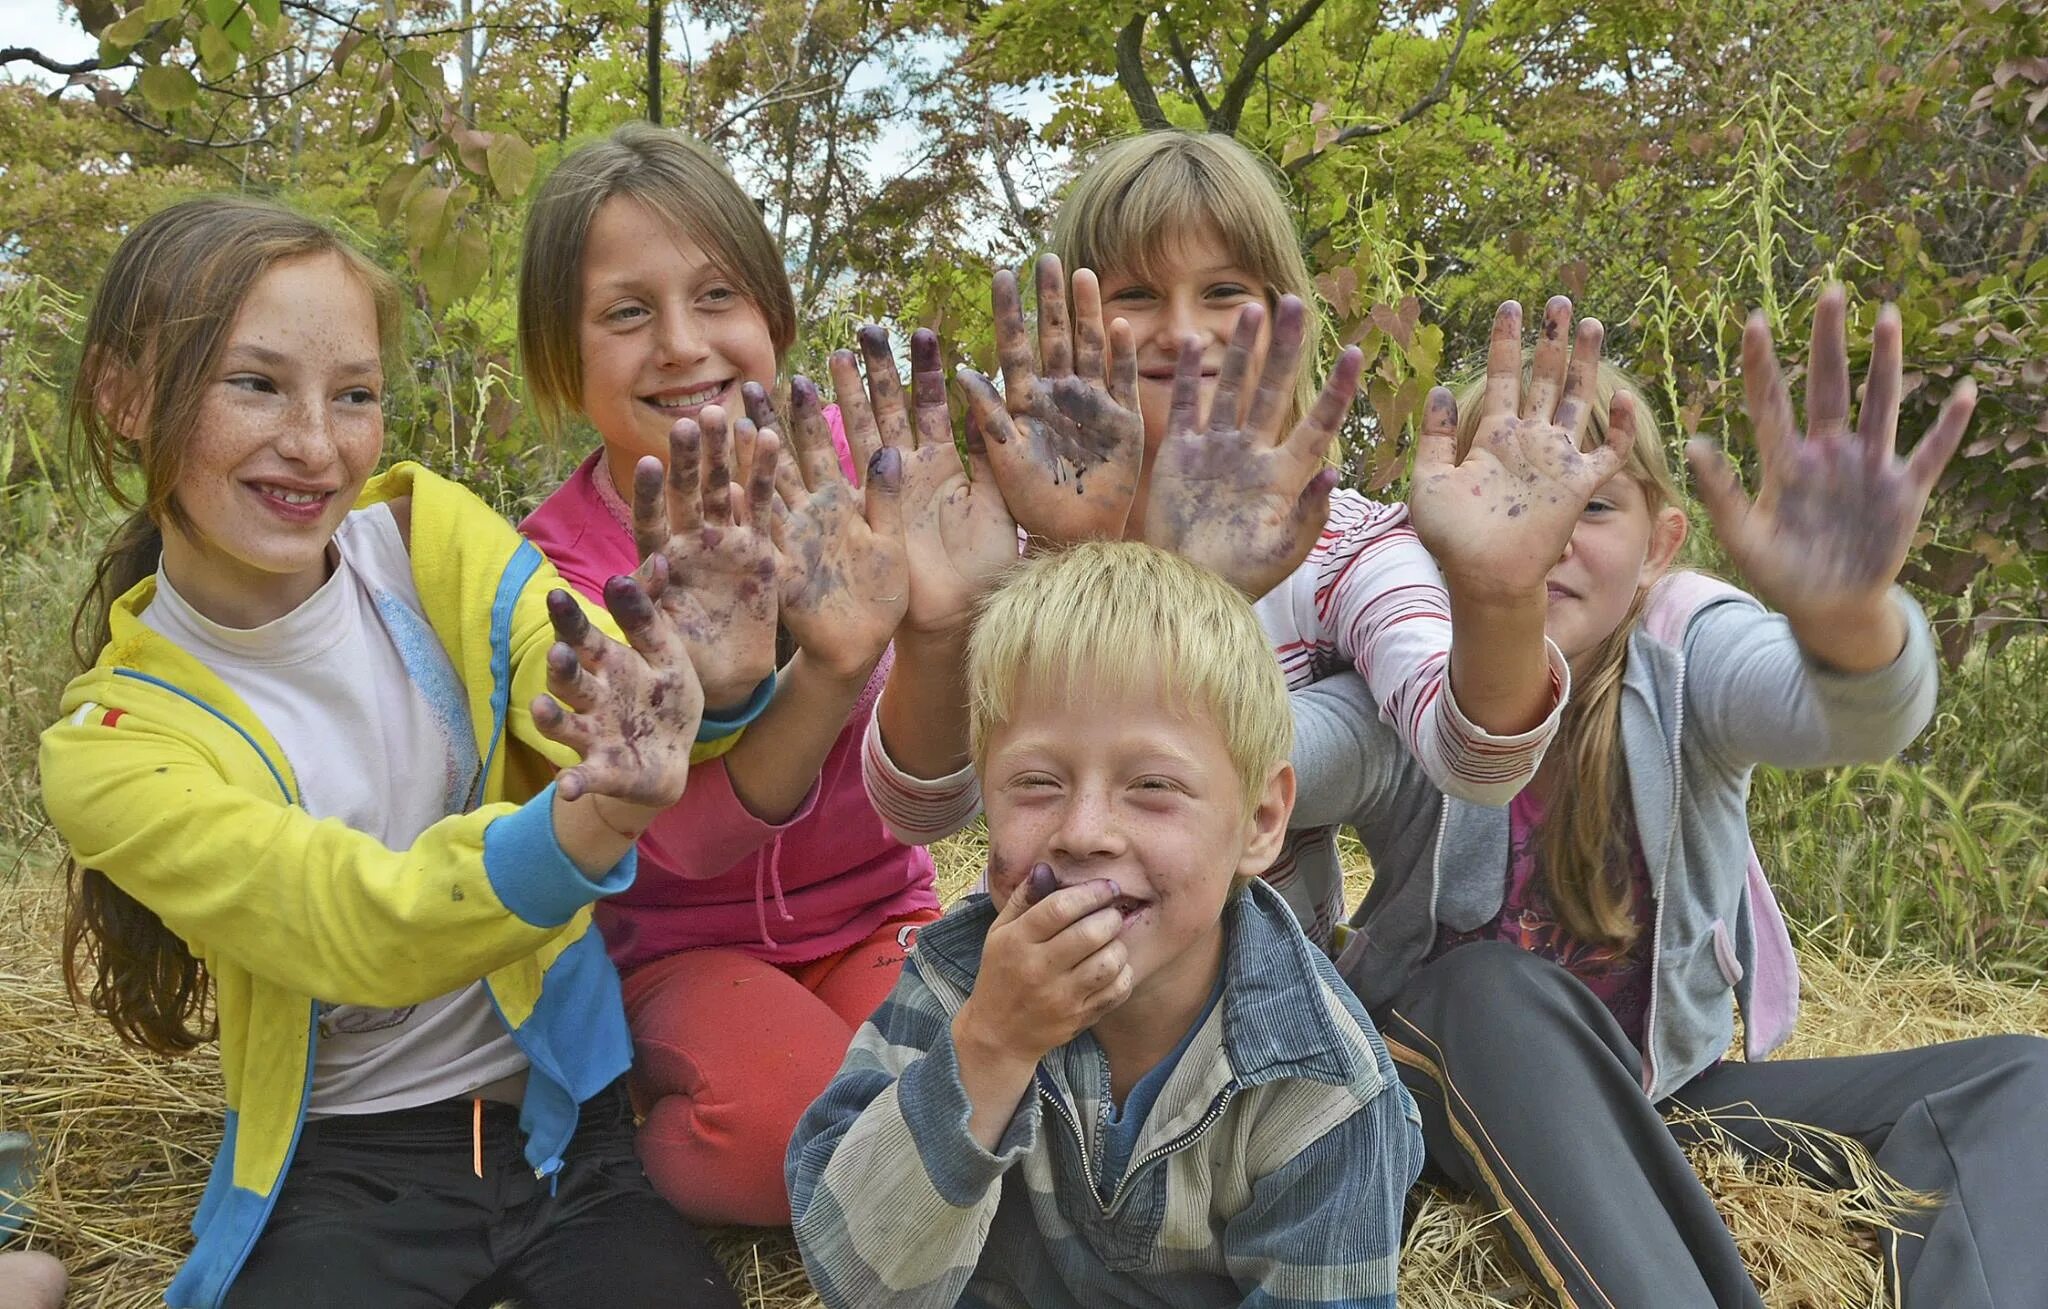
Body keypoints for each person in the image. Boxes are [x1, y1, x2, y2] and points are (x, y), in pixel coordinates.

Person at [39, 195, 760, 1309]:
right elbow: (351, 921)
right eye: (256, 383)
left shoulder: (425, 539)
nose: (317, 445)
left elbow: (571, 676)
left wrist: (700, 687)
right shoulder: (114, 743)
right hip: (351, 1169)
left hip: (566, 1126)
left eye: (356, 394)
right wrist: (581, 826)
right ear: (124, 396)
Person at [1292, 288, 2048, 1307]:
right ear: (1430, 534)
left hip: (1662, 1101)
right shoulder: (1409, 677)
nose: (1545, 532)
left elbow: (1848, 717)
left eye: (1588, 503)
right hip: (1432, 1086)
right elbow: (1265, 758)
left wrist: (1848, 618)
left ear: (1658, 544)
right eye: (1500, 495)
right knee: (1487, 985)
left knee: (2014, 1077)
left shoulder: (1685, 649)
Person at [864, 131, 1629, 944]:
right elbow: (922, 806)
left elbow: (1475, 764)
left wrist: (1500, 593)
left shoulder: (1334, 544)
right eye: (1136, 294)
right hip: (1043, 986)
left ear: (1282, 316)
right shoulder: (1001, 544)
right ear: (1072, 320)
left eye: (1224, 289)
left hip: (1270, 1016)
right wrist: (979, 607)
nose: (1186, 332)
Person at [514, 121, 1019, 1226]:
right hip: (674, 949)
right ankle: (624, 1095)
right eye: (626, 312)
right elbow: (678, 841)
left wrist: (938, 628)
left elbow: (930, 782)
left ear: (773, 318)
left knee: (990, 1091)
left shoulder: (866, 478)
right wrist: (829, 670)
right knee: (782, 1136)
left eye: (717, 296)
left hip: (875, 913)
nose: (682, 345)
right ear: (563, 356)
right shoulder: (557, 573)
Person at [788, 541, 1424, 1308]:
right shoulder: (956, 979)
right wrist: (992, 1045)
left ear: (1259, 820)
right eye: (1036, 782)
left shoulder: (1322, 1082)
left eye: (1152, 785)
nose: (1084, 831)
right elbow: (853, 1279)